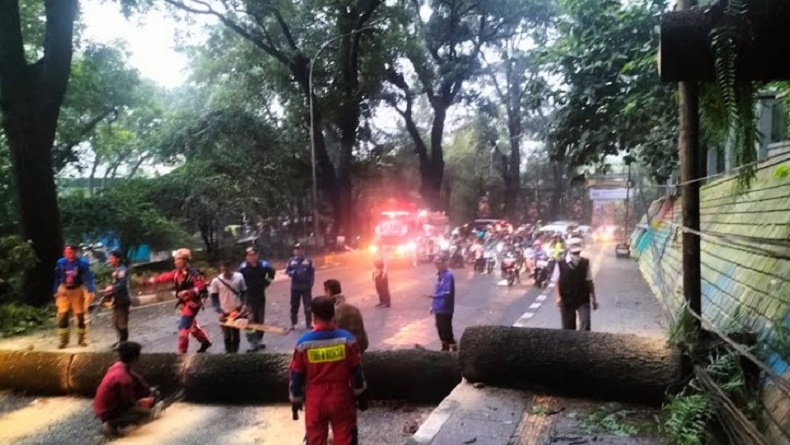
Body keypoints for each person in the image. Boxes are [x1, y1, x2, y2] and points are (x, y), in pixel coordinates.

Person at [289, 297, 368, 445]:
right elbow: (356, 370)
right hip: (341, 397)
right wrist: (361, 394)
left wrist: (296, 399)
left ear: (314, 316)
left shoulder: (303, 343)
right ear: (333, 315)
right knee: (346, 436)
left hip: (315, 398)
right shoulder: (347, 340)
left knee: (315, 438)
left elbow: (296, 374)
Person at [146, 249, 212, 354]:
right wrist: (153, 280)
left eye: (177, 259)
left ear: (185, 260)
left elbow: (201, 288)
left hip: (192, 305)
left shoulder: (194, 274)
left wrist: (188, 292)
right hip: (183, 304)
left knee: (183, 329)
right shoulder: (177, 273)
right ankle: (205, 342)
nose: (175, 262)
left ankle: (182, 354)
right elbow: (165, 277)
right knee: (193, 327)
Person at [93, 341, 162, 437]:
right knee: (147, 414)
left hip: (100, 406)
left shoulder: (118, 366)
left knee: (142, 403)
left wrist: (148, 389)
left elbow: (135, 377)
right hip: (107, 411)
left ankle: (114, 421)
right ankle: (111, 424)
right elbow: (128, 405)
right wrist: (141, 402)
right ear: (135, 357)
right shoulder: (124, 380)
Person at [551, 238, 599, 331]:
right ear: (569, 250)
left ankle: (583, 343)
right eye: (574, 253)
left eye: (578, 252)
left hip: (582, 298)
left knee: (585, 322)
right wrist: (558, 297)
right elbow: (556, 281)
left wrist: (594, 299)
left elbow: (589, 281)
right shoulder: (560, 264)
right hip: (567, 298)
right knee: (568, 328)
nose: (576, 255)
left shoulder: (585, 263)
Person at [53, 244, 95, 348]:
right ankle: (63, 340)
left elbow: (88, 277)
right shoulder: (60, 262)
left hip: (77, 289)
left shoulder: (82, 263)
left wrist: (91, 290)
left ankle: (81, 339)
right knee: (62, 316)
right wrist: (55, 290)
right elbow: (57, 277)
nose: (68, 254)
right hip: (64, 289)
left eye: (70, 252)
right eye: (66, 252)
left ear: (75, 252)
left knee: (80, 316)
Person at [238, 247, 276, 352]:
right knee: (249, 321)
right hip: (248, 298)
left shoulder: (264, 265)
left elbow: (272, 273)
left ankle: (259, 339)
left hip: (260, 296)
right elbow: (238, 280)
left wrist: (266, 283)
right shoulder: (243, 268)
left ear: (257, 255)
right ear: (246, 257)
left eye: (253, 255)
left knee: (260, 319)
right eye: (249, 255)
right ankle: (252, 343)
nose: (252, 257)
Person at [209, 259, 248, 353]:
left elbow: (244, 292)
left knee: (236, 333)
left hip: (237, 310)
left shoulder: (239, 277)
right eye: (223, 270)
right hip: (224, 311)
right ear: (221, 269)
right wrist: (218, 311)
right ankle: (228, 352)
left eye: (227, 269)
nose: (226, 272)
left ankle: (235, 352)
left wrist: (244, 305)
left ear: (231, 268)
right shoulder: (216, 281)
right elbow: (214, 297)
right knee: (226, 335)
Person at [325, 279, 369, 354]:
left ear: (328, 291)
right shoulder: (354, 309)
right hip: (356, 350)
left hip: (341, 353)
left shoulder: (332, 311)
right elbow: (363, 336)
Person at [425, 254, 456, 352]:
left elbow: (447, 293)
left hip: (446, 307)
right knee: (439, 327)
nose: (437, 265)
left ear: (444, 263)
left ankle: (453, 347)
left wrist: (434, 297)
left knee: (446, 328)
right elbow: (437, 291)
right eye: (435, 263)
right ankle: (445, 347)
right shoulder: (439, 275)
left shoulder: (448, 275)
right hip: (438, 307)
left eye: (439, 263)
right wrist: (433, 306)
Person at [103, 251, 131, 349]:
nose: (110, 260)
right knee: (115, 323)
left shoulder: (122, 270)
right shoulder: (116, 270)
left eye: (112, 258)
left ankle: (124, 344)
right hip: (116, 300)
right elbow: (116, 283)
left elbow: (122, 284)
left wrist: (112, 288)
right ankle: (121, 341)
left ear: (117, 259)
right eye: (109, 258)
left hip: (123, 300)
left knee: (122, 323)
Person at [286, 243, 315, 330]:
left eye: (300, 249)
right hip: (295, 287)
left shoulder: (308, 261)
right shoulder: (291, 261)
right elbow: (287, 272)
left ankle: (309, 323)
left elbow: (312, 272)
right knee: (294, 305)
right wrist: (292, 273)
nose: (299, 251)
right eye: (297, 249)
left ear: (303, 251)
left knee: (308, 306)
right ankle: (293, 323)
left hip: (306, 287)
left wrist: (311, 283)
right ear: (294, 251)